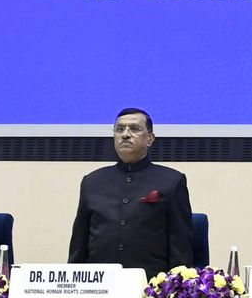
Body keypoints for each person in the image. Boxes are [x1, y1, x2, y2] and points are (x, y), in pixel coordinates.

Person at [68, 107, 194, 273]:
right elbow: (79, 243)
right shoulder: (92, 182)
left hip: (150, 282)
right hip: (100, 282)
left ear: (150, 139)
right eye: (120, 129)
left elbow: (180, 245)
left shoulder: (171, 181)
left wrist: (177, 284)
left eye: (134, 129)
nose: (125, 134)